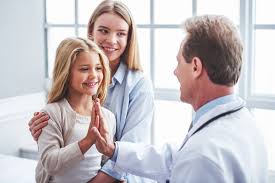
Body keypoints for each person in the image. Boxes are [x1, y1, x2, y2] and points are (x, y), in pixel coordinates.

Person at [90, 15, 268, 183]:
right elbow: (172, 158)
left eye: (179, 62)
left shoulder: (203, 156)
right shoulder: (247, 126)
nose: (175, 72)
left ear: (196, 67)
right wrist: (113, 149)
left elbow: (191, 158)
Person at [29, 1, 155, 182]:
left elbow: (127, 151)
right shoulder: (72, 76)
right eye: (103, 30)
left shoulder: (139, 86)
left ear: (129, 39)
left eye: (120, 34)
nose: (111, 40)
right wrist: (44, 132)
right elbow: (55, 148)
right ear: (91, 32)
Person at [35, 37, 116, 183]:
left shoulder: (108, 117)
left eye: (98, 68)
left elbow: (105, 162)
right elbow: (50, 163)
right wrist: (87, 141)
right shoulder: (52, 113)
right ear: (66, 72)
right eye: (84, 69)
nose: (94, 75)